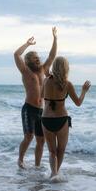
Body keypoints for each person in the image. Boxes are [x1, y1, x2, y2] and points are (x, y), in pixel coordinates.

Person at [14, 27, 57, 169]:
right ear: (28, 60)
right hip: (29, 109)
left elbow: (52, 56)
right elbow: (16, 54)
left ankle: (37, 166)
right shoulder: (25, 71)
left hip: (41, 110)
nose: (37, 58)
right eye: (33, 57)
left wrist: (55, 38)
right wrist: (27, 44)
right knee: (29, 137)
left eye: (37, 56)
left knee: (41, 140)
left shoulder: (44, 69)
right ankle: (20, 160)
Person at [41, 56, 91, 179]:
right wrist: (84, 90)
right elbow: (78, 103)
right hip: (61, 119)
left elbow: (41, 96)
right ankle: (55, 174)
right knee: (61, 150)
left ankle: (53, 174)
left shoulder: (46, 81)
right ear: (65, 68)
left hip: (46, 118)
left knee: (52, 151)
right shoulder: (67, 84)